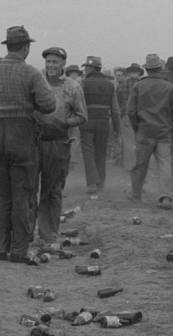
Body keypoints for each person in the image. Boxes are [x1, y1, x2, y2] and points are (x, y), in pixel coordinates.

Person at [0, 26, 57, 264]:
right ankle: (20, 250)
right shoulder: (31, 73)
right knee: (23, 194)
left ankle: (0, 247)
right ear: (26, 48)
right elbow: (49, 105)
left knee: (0, 194)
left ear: (7, 46)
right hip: (21, 136)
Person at [33, 46, 87, 242]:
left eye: (55, 62)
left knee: (52, 189)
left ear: (63, 64)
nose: (50, 65)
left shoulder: (73, 87)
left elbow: (82, 116)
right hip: (34, 142)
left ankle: (48, 233)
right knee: (29, 187)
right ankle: (25, 231)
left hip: (58, 143)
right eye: (48, 61)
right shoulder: (36, 81)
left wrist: (64, 122)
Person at [127, 54, 173, 209]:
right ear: (160, 68)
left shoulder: (138, 86)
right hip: (164, 131)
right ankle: (165, 197)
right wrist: (172, 127)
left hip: (144, 131)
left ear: (146, 69)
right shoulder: (169, 86)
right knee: (165, 164)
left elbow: (131, 110)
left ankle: (136, 194)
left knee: (140, 164)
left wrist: (137, 126)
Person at [79, 56, 120, 195]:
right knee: (101, 153)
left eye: (86, 67)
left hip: (87, 121)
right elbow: (115, 109)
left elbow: (78, 105)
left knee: (88, 153)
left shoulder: (82, 83)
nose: (85, 69)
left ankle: (91, 183)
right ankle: (100, 183)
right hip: (104, 122)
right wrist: (117, 128)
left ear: (91, 68)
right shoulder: (110, 84)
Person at [117, 63, 142, 173]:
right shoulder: (142, 85)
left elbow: (118, 102)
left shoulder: (122, 85)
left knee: (128, 142)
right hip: (140, 115)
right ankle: (139, 164)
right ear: (138, 73)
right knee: (140, 141)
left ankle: (129, 165)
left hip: (126, 115)